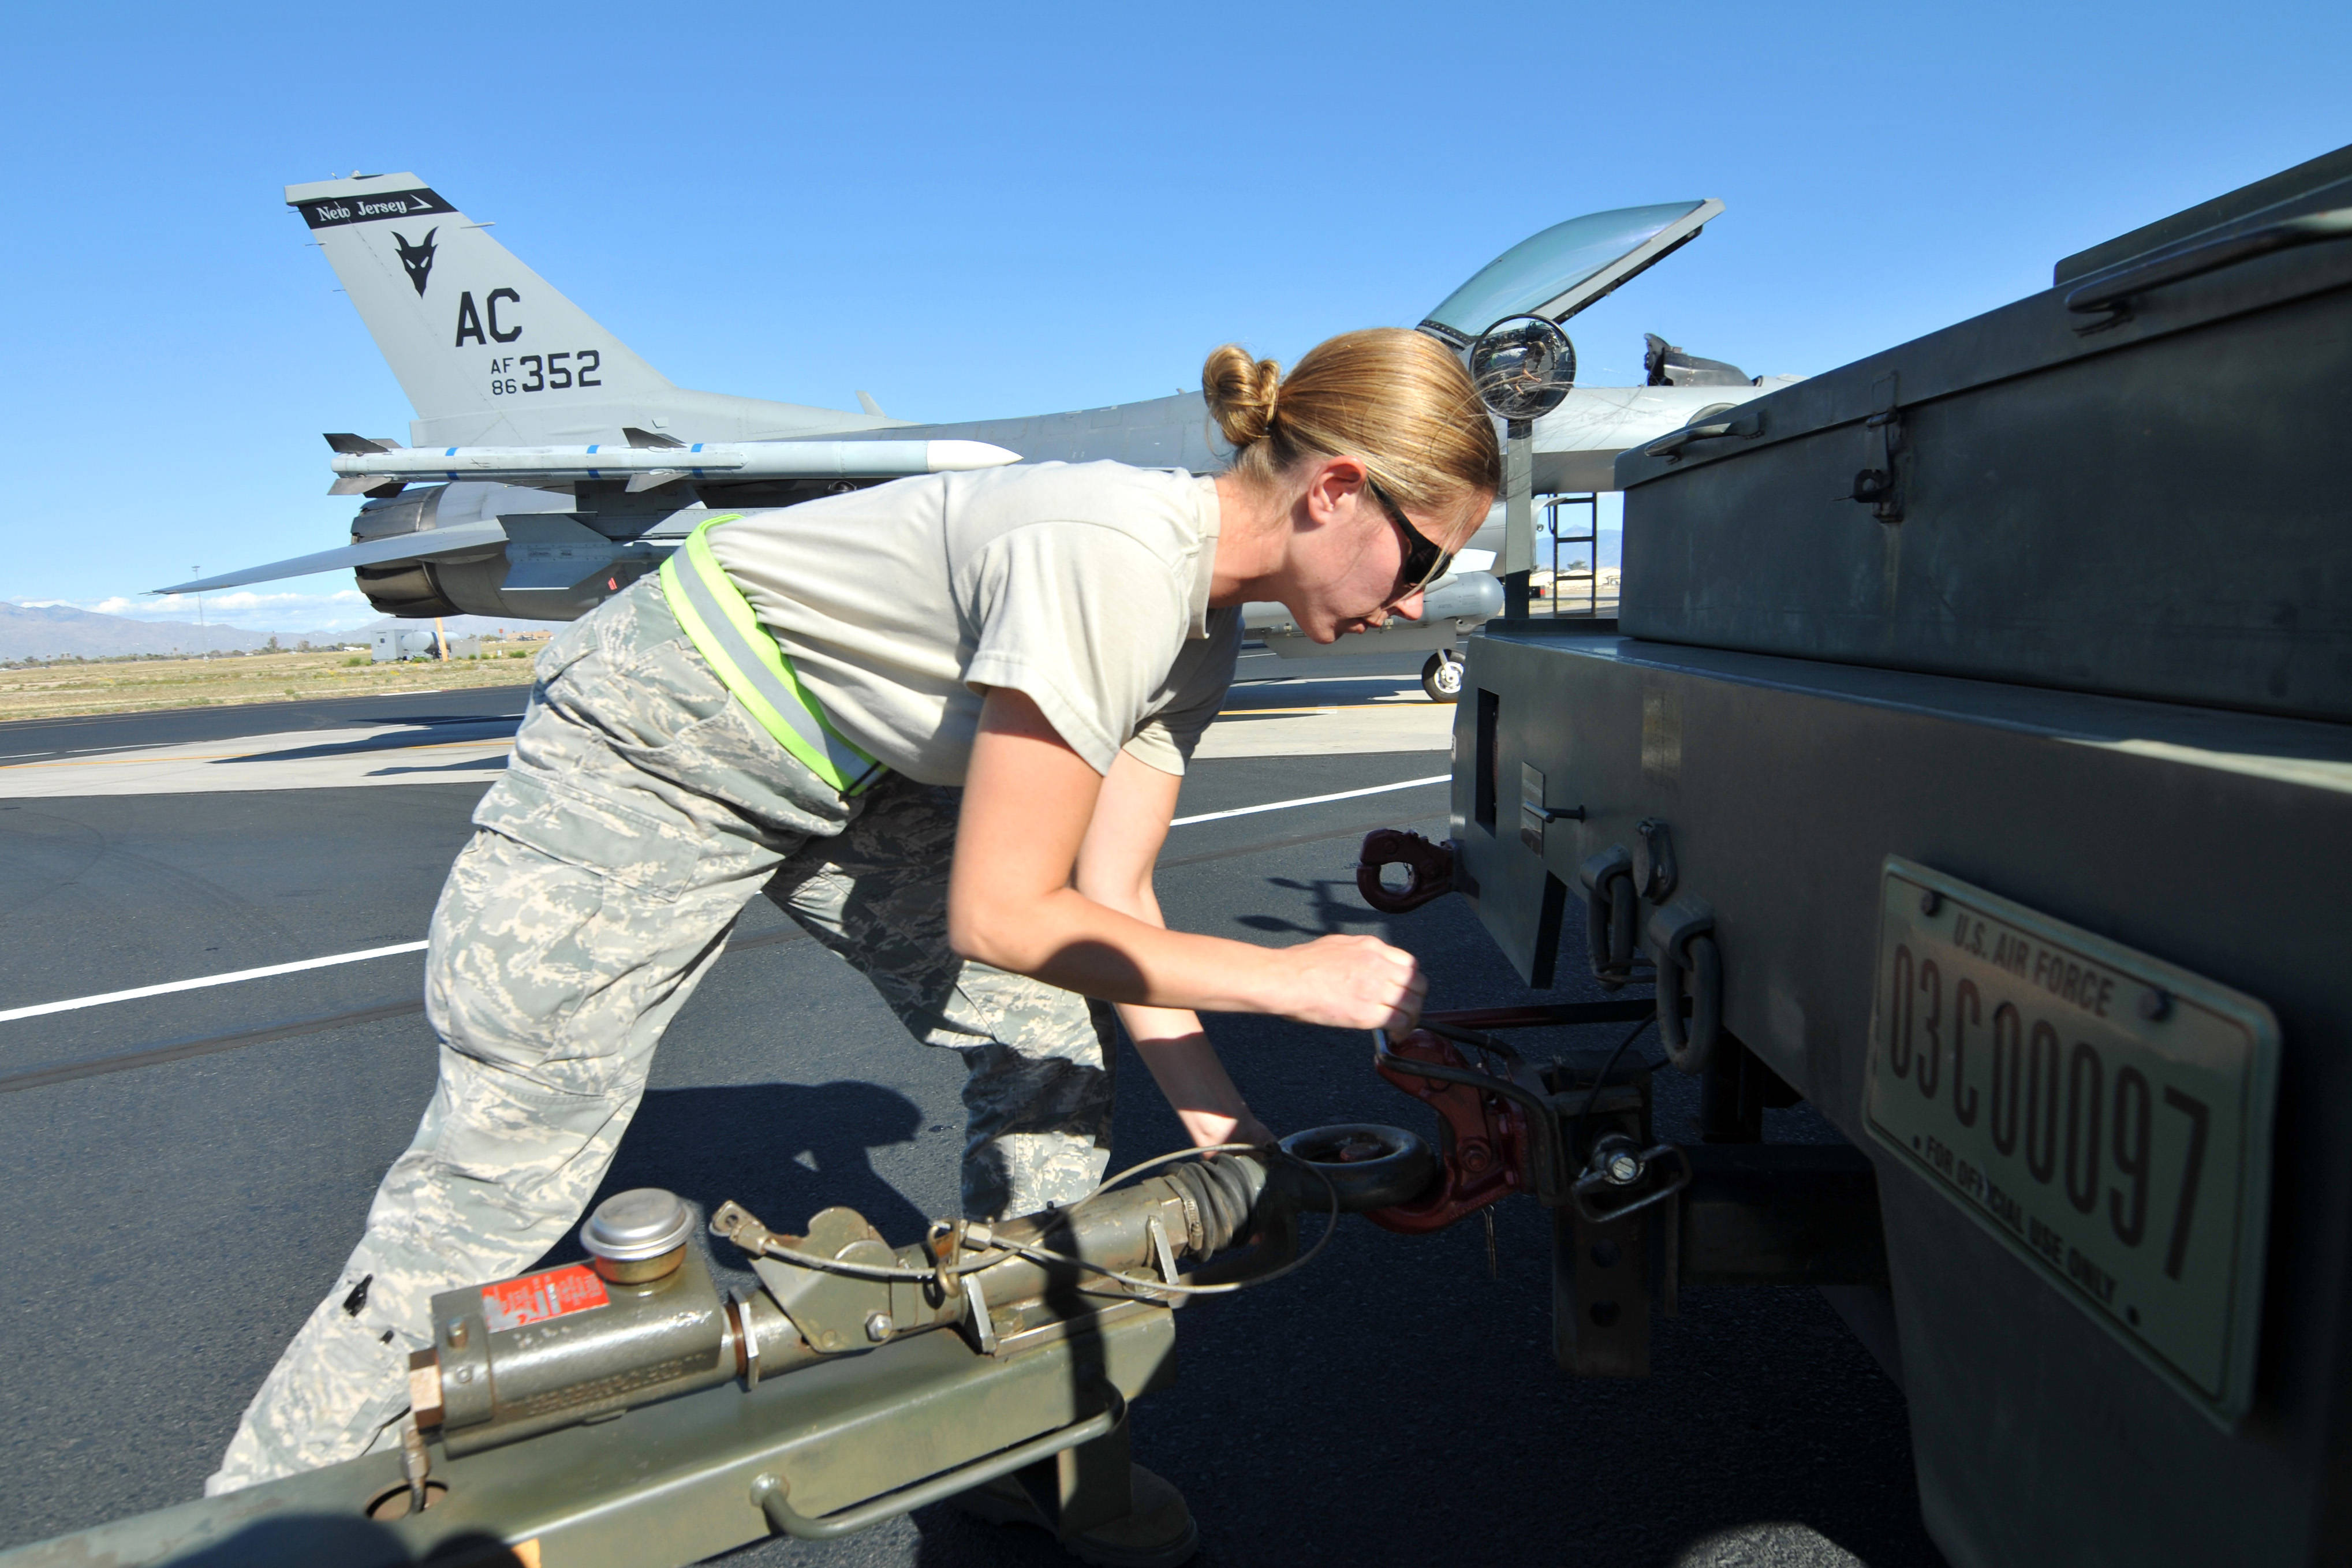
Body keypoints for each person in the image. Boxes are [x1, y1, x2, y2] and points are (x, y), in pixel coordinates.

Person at [206, 328, 1501, 1534]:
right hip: (661, 737)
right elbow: (1000, 911)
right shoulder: (1111, 550)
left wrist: (1235, 1137)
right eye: (1427, 558)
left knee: (1046, 1053)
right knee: (508, 1157)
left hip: (839, 772)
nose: (1415, 602)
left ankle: (1023, 1438)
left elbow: (1111, 905)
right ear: (1336, 489)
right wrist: (1292, 977)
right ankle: (252, 1532)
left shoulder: (1199, 638)